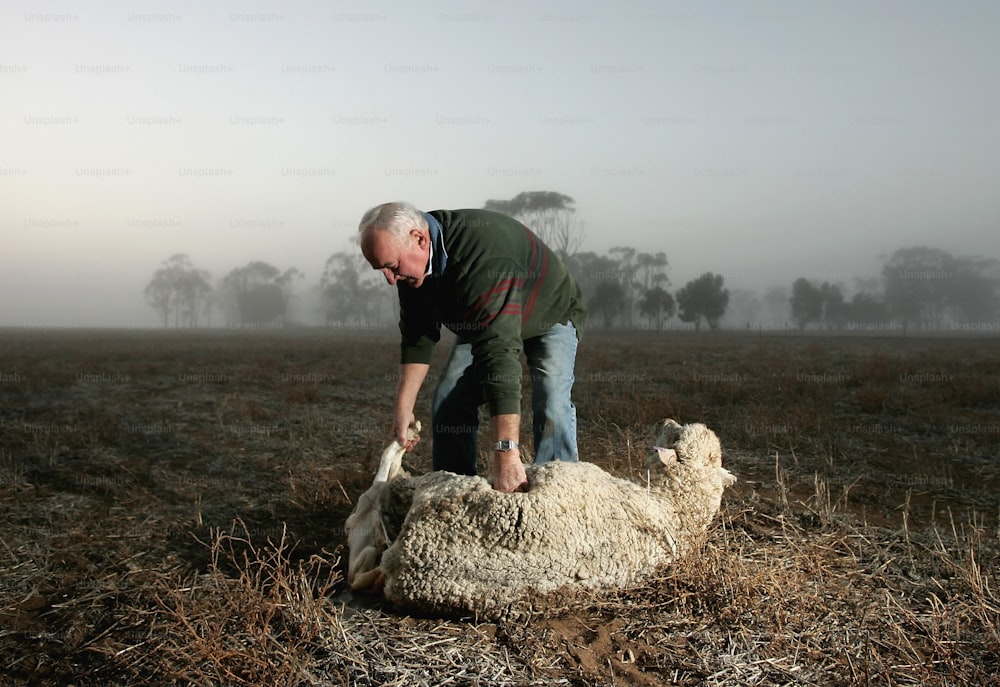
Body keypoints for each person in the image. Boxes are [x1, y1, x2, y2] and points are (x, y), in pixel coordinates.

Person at [358, 201, 587, 493]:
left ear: (419, 238)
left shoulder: (482, 256)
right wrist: (403, 409)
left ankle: (561, 494)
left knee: (551, 395)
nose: (391, 280)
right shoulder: (413, 268)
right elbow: (418, 335)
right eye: (383, 270)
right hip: (484, 317)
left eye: (391, 267)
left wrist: (505, 453)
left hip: (549, 312)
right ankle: (455, 495)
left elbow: (499, 357)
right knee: (448, 401)